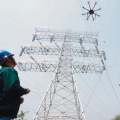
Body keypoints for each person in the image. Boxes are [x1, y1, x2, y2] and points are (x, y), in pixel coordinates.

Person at [0, 50, 30, 120]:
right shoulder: (9, 70)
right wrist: (25, 91)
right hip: (4, 113)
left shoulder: (2, 71)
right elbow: (13, 87)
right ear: (8, 58)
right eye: (12, 57)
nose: (14, 59)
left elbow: (4, 91)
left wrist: (17, 99)